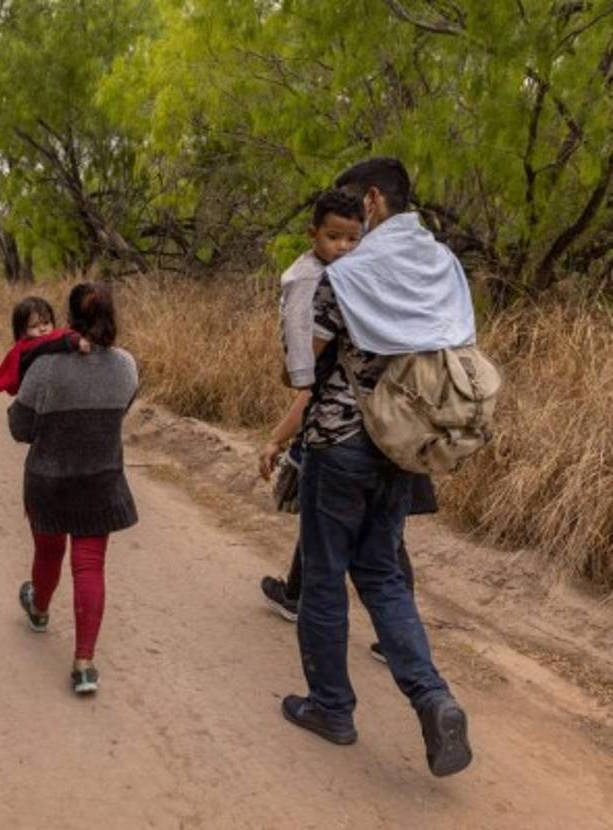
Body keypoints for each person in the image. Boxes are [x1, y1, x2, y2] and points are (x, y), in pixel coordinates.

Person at [284, 157, 473, 778]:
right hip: (407, 444)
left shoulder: (348, 272)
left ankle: (331, 707)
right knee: (384, 576)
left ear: (371, 199)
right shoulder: (443, 264)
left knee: (324, 575)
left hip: (341, 440)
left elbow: (300, 366)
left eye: (355, 206)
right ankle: (434, 698)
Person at [256, 190, 434, 663]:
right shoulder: (403, 279)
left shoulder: (335, 287)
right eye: (334, 238)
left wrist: (278, 433)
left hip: (347, 438)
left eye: (351, 238)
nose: (343, 247)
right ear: (314, 234)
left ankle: (331, 690)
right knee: (374, 551)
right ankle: (415, 672)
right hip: (399, 433)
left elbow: (305, 377)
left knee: (344, 558)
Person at [9, 283, 139, 695]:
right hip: (100, 479)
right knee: (90, 565)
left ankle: (39, 609)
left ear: (68, 318)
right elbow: (120, 412)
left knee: (48, 552)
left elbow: (20, 428)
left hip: (48, 482)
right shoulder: (126, 365)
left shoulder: (45, 367)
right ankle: (84, 664)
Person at [0, 296, 90, 396]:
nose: (42, 329)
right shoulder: (27, 349)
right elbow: (47, 346)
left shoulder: (51, 339)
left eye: (46, 322)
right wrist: (74, 341)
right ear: (22, 332)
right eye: (34, 326)